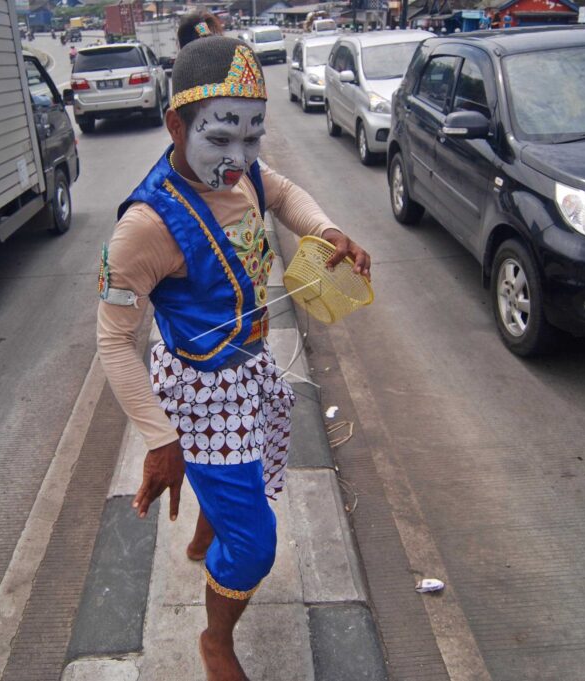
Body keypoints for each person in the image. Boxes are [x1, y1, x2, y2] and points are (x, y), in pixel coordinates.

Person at [97, 32, 370, 681]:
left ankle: (206, 526)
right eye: (222, 138)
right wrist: (161, 439)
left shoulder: (243, 166)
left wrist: (327, 231)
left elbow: (281, 194)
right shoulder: (145, 226)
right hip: (197, 390)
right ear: (175, 124)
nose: (240, 157)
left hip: (248, 370)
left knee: (247, 478)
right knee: (253, 546)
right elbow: (112, 340)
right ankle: (215, 640)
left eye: (253, 136)